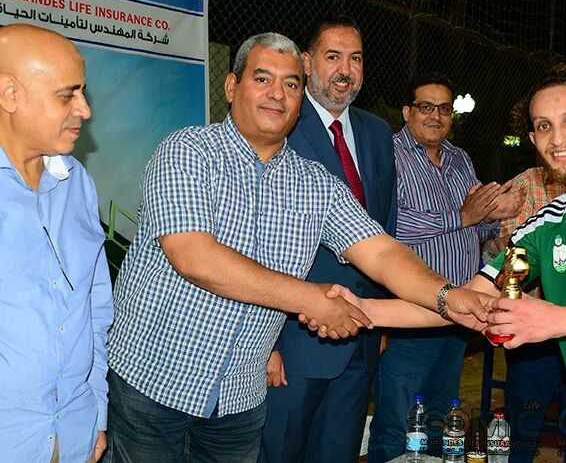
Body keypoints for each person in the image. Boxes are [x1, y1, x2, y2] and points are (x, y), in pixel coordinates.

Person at [106, 32, 495, 462]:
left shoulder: (315, 184)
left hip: (238, 398)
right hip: (152, 384)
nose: (278, 93)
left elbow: (381, 252)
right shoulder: (187, 151)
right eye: (263, 79)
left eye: (291, 84)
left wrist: (447, 296)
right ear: (232, 87)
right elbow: (196, 258)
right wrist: (311, 299)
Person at [334, 64, 566, 462]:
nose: (557, 138)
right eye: (543, 126)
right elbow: (467, 300)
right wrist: (364, 310)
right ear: (532, 139)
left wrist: (556, 319)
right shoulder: (544, 227)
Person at [367, 72, 523, 462]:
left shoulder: (460, 158)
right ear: (407, 112)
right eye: (426, 106)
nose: (435, 116)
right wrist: (463, 216)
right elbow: (389, 225)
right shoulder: (389, 155)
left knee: (441, 419)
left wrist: (495, 217)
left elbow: (473, 226)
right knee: (398, 423)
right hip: (409, 315)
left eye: (444, 109)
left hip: (458, 313)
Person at [260, 16, 396, 463]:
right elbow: (255, 237)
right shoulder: (279, 125)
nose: (345, 70)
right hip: (294, 339)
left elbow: (386, 227)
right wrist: (266, 344)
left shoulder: (377, 133)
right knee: (280, 452)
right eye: (333, 56)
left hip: (360, 336)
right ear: (306, 62)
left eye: (355, 59)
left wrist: (380, 318)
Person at [0, 24, 113, 462]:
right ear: (10, 94)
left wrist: (96, 411)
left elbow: (94, 308)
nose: (84, 109)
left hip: (73, 432)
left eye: (82, 92)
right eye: (67, 95)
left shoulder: (76, 183)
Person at [485, 167, 566, 462]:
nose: (558, 145)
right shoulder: (526, 185)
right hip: (532, 331)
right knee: (524, 425)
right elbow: (509, 255)